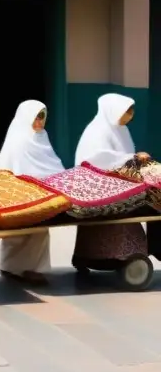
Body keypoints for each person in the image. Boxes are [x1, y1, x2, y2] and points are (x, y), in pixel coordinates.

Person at [71, 93, 149, 272]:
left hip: (115, 180)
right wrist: (132, 157)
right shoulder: (98, 130)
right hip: (95, 183)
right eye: (126, 111)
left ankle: (97, 257)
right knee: (128, 205)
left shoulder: (121, 130)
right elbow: (98, 159)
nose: (130, 115)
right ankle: (122, 256)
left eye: (130, 111)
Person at [0, 100, 64, 285]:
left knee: (39, 233)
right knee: (17, 235)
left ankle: (33, 269)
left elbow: (52, 165)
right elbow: (13, 169)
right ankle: (10, 266)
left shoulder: (42, 137)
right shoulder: (19, 139)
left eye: (43, 116)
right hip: (19, 194)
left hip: (42, 194)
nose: (40, 122)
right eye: (37, 116)